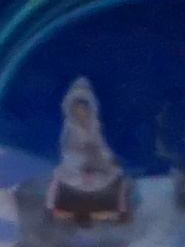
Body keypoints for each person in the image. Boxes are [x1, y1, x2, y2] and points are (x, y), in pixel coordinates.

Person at [50, 78, 131, 227]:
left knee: (117, 175)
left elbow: (102, 147)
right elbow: (67, 150)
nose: (81, 112)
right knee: (60, 179)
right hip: (75, 169)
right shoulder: (70, 129)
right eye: (77, 109)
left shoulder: (95, 128)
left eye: (84, 109)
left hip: (96, 166)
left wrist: (107, 158)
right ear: (71, 109)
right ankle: (61, 212)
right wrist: (81, 157)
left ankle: (120, 212)